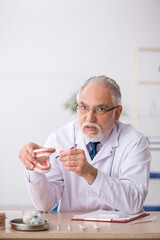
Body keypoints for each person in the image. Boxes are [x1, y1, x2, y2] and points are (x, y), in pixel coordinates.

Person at [19, 75, 151, 214]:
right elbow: (45, 205)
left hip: (118, 231)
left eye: (100, 109)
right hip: (71, 231)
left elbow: (134, 202)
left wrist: (91, 173)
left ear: (117, 113)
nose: (89, 118)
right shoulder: (60, 139)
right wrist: (34, 167)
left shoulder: (134, 142)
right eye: (83, 107)